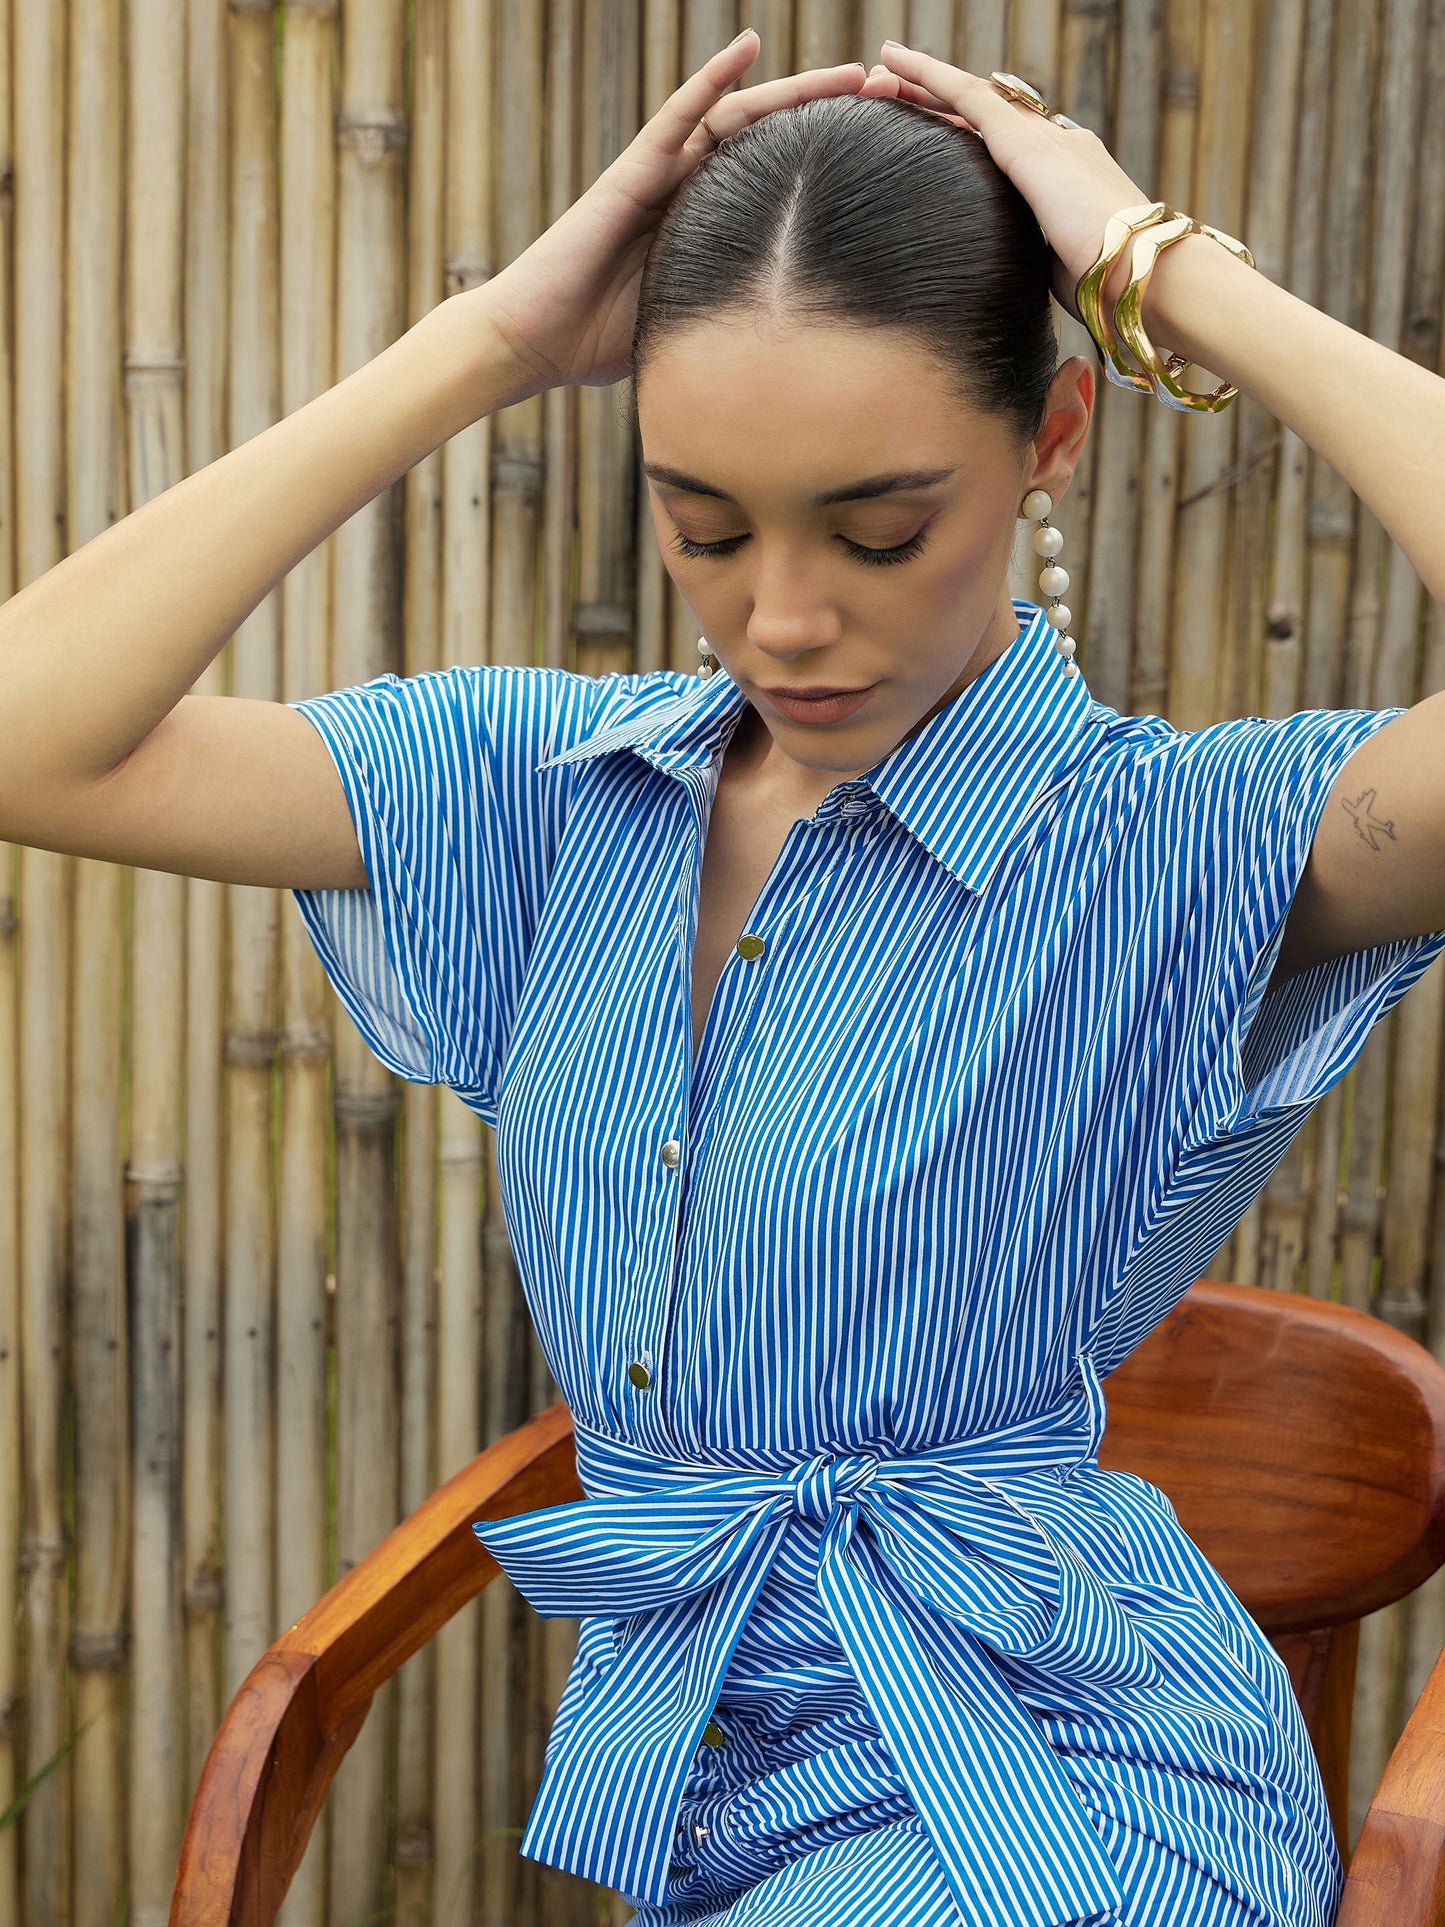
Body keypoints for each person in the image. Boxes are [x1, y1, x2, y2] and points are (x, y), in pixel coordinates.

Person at [4, 27, 1445, 1927]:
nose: (783, 616)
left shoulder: (1174, 850)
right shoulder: (544, 799)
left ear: (1051, 439)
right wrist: (490, 342)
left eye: (880, 530)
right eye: (701, 526)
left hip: (1060, 1787)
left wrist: (1160, 269)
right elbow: (34, 738)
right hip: (698, 1790)